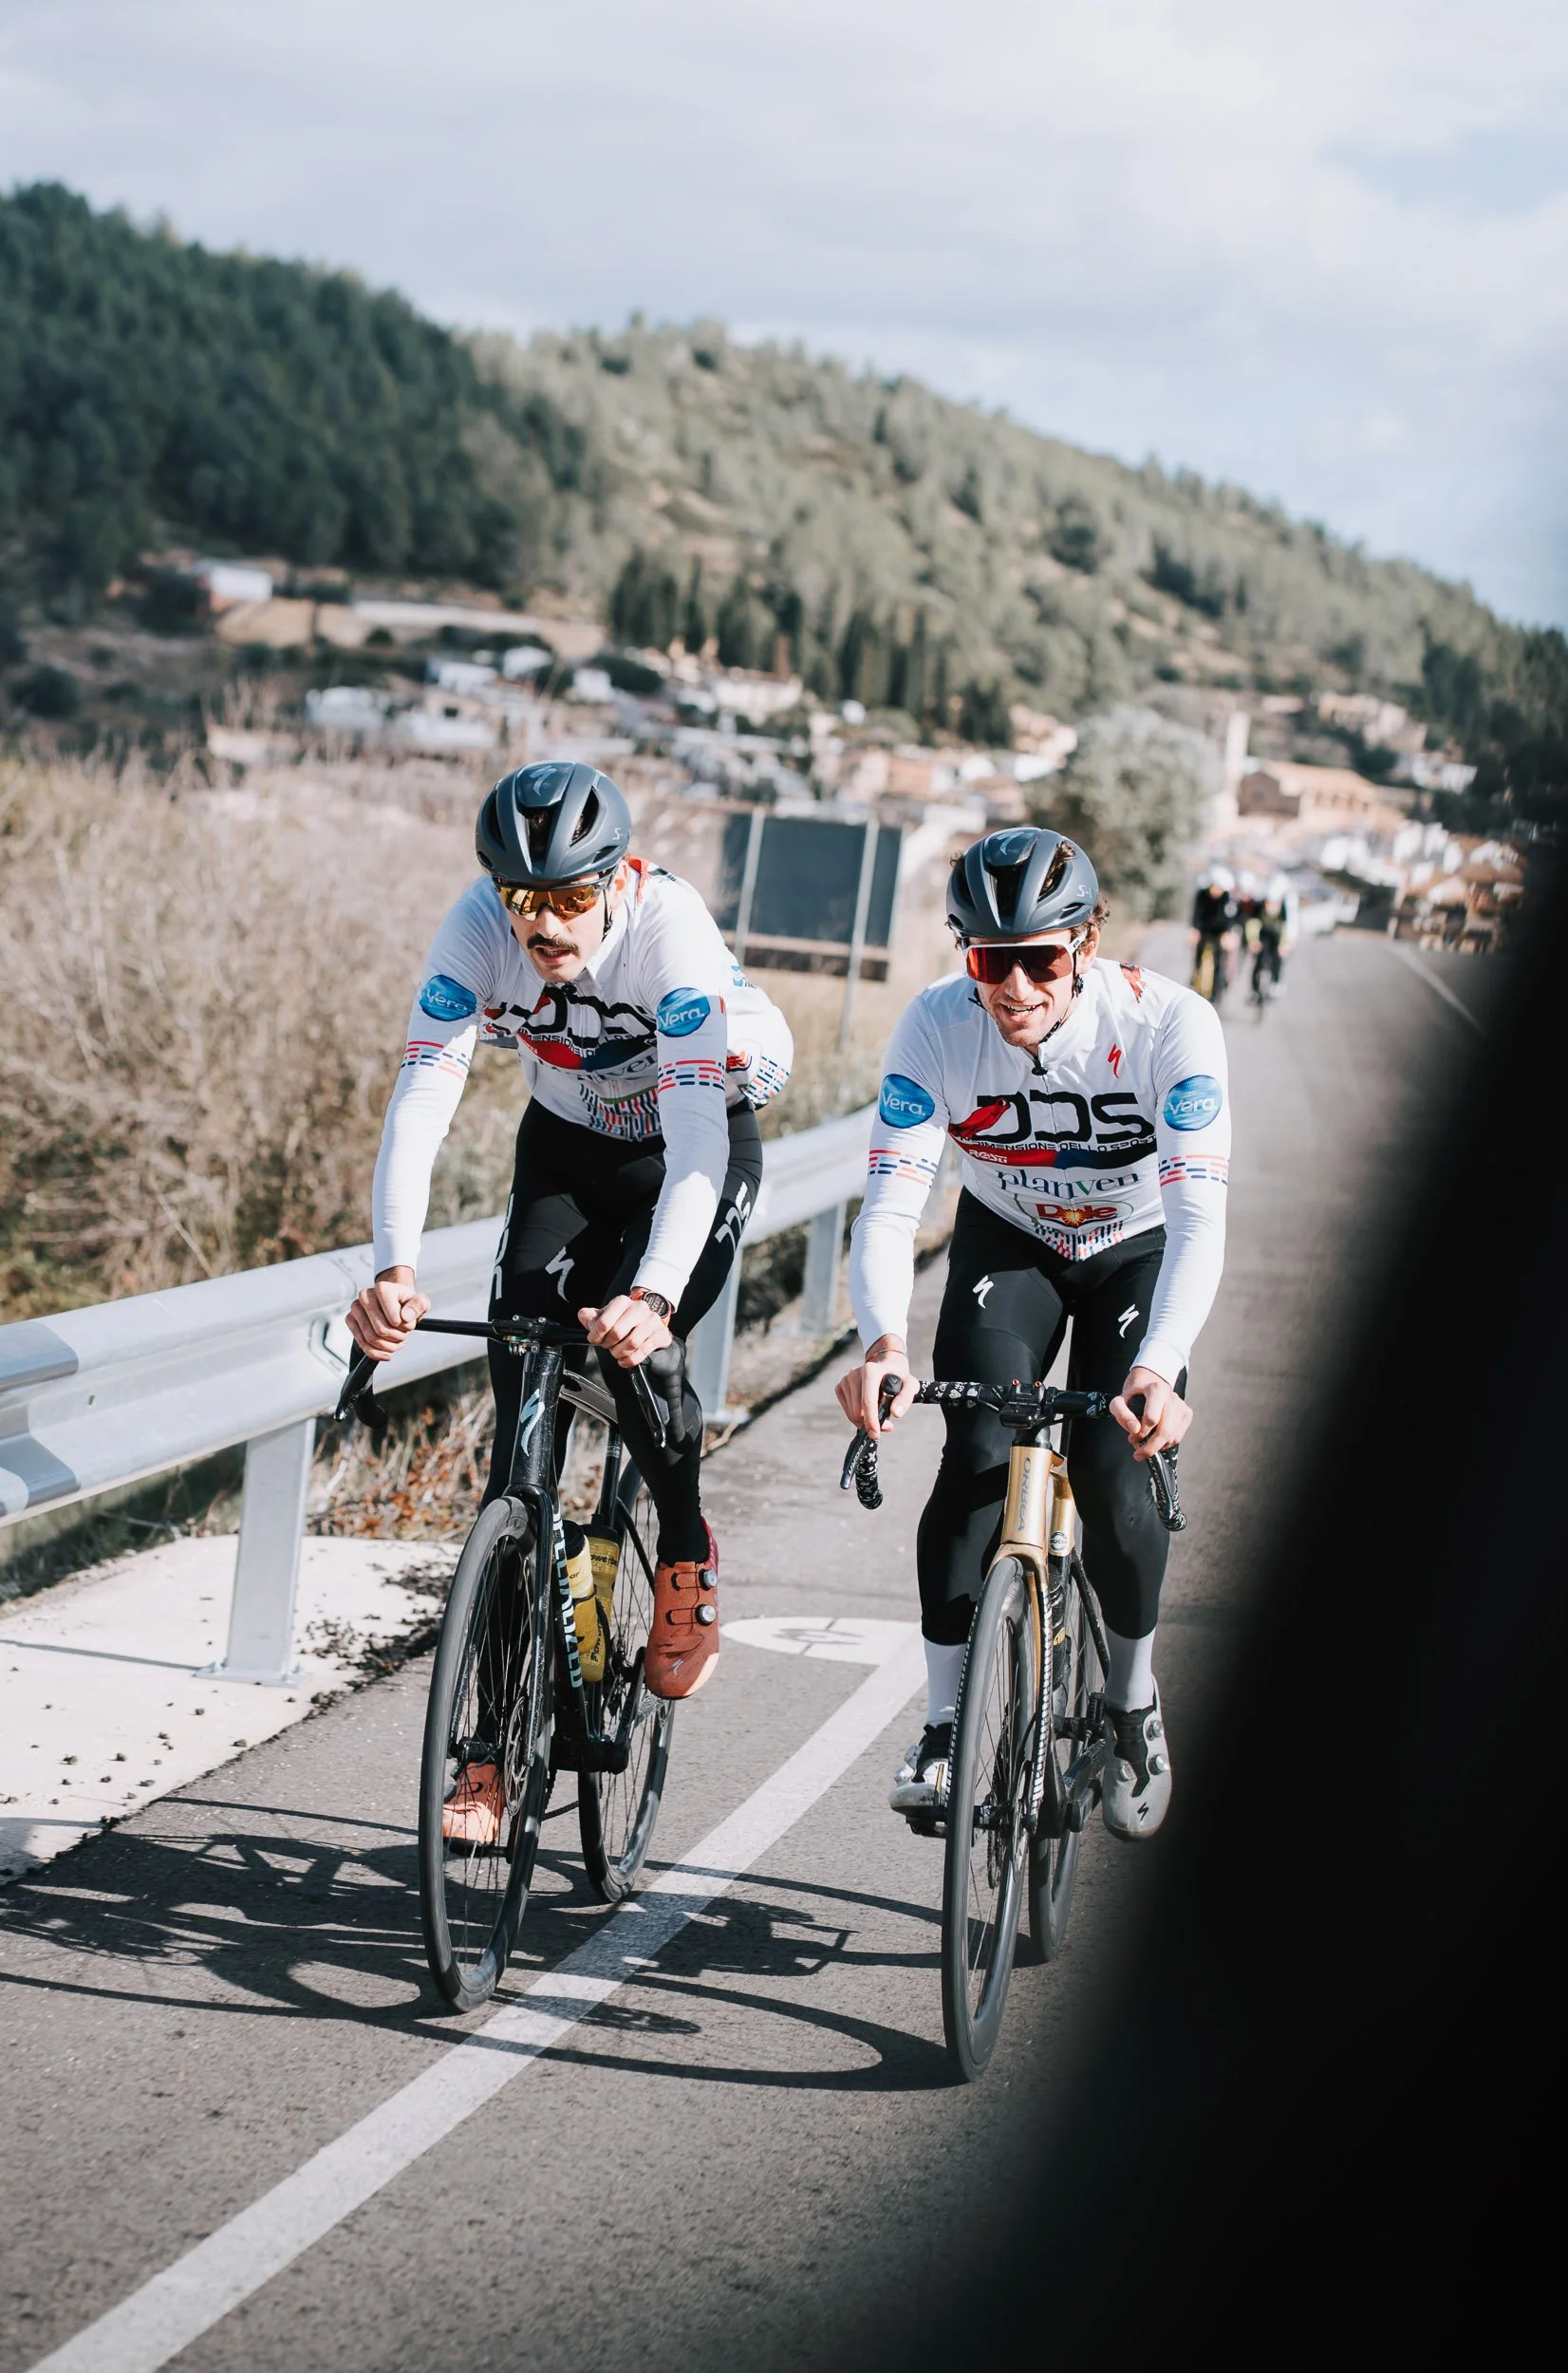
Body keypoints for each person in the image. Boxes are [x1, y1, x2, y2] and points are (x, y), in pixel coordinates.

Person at [345, 761, 793, 1834]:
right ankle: (491, 1755)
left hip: (696, 1138)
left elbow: (694, 1139)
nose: (542, 923)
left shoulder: (667, 938)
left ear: (616, 878)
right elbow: (423, 1094)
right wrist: (394, 1268)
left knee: (643, 1357)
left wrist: (652, 1294)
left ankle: (682, 1550)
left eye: (569, 898)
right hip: (567, 1146)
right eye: (520, 898)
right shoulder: (476, 928)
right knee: (520, 1446)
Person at [835, 827, 1230, 1840]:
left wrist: (1155, 1371)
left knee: (1108, 1464)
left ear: (1085, 943)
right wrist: (881, 1341)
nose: (1012, 985)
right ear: (962, 953)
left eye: (1038, 959)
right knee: (974, 1448)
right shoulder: (933, 1027)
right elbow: (887, 1207)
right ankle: (942, 1722)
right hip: (1007, 1241)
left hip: (1133, 1249)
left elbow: (1196, 1220)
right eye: (985, 958)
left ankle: (1132, 1701)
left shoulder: (1167, 1027)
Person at [1188, 866, 1241, 1003]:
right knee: (1200, 958)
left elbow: (1232, 919)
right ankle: (1197, 983)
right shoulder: (1202, 895)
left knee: (1219, 961)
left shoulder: (1229, 898)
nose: (1215, 891)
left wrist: (1229, 934)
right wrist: (1194, 930)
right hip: (1205, 930)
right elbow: (1197, 914)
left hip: (1221, 933)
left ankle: (1217, 991)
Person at [1250, 870, 1297, 998]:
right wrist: (1253, 940)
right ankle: (1254, 989)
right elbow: (1253, 923)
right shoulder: (1260, 904)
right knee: (1258, 960)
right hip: (1263, 934)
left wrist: (1285, 944)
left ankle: (1276, 982)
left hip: (1278, 935)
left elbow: (1288, 927)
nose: (1270, 906)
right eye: (1268, 902)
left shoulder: (1287, 906)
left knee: (1277, 958)